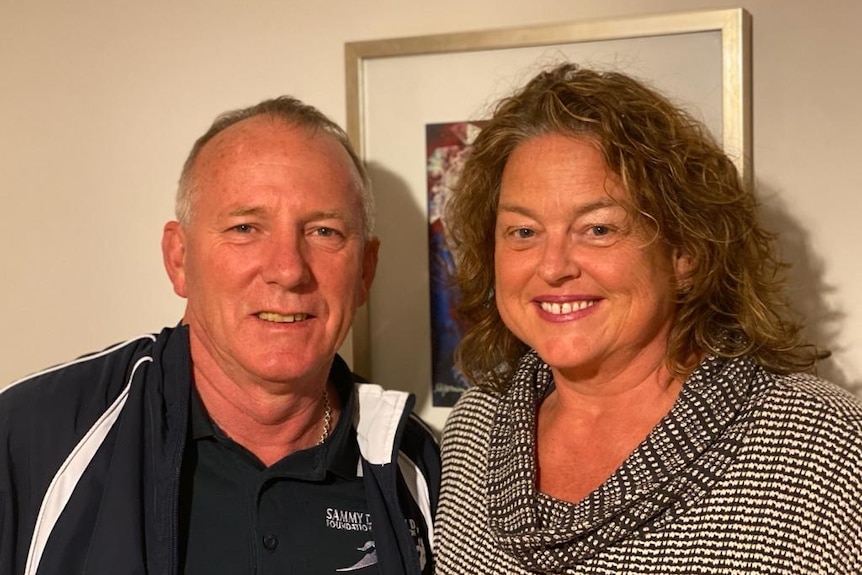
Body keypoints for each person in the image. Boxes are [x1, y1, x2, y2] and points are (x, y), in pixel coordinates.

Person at [434, 63, 862, 574]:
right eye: (523, 232)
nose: (552, 267)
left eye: (597, 228)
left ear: (685, 251)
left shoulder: (825, 450)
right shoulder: (475, 427)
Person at [0, 96, 439, 575]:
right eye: (246, 227)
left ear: (365, 272)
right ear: (179, 259)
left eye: (324, 231)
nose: (288, 270)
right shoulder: (31, 439)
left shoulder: (422, 469)